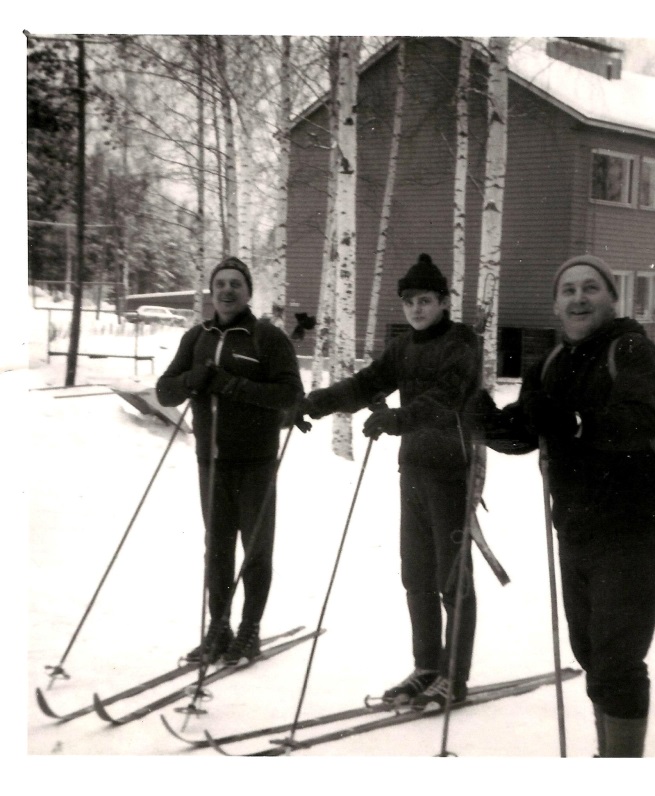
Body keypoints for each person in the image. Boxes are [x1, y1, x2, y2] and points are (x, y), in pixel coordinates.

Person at [476, 254, 655, 756]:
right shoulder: (551, 362)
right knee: (590, 653)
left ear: (611, 298)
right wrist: (482, 417)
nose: (579, 298)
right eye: (569, 290)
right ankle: (608, 755)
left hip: (631, 525)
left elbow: (637, 422)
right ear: (557, 304)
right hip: (575, 525)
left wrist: (571, 420)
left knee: (617, 659)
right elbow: (526, 433)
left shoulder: (630, 350)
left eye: (590, 288)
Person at [300, 253, 481, 710]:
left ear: (443, 302)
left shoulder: (461, 342)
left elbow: (447, 399)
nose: (417, 310)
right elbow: (368, 382)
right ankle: (427, 666)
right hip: (414, 471)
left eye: (425, 301)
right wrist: (319, 402)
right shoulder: (404, 347)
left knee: (451, 577)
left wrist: (398, 418)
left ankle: (454, 678)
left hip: (453, 472)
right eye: (409, 302)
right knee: (416, 574)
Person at [156, 257, 303, 666]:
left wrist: (232, 385)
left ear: (248, 291)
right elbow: (165, 392)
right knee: (217, 550)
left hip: (256, 463)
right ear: (211, 290)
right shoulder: (195, 338)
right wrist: (192, 381)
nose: (226, 290)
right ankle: (218, 630)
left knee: (255, 550)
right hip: (212, 463)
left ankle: (249, 633)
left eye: (235, 284)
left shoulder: (266, 337)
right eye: (220, 283)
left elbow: (291, 395)